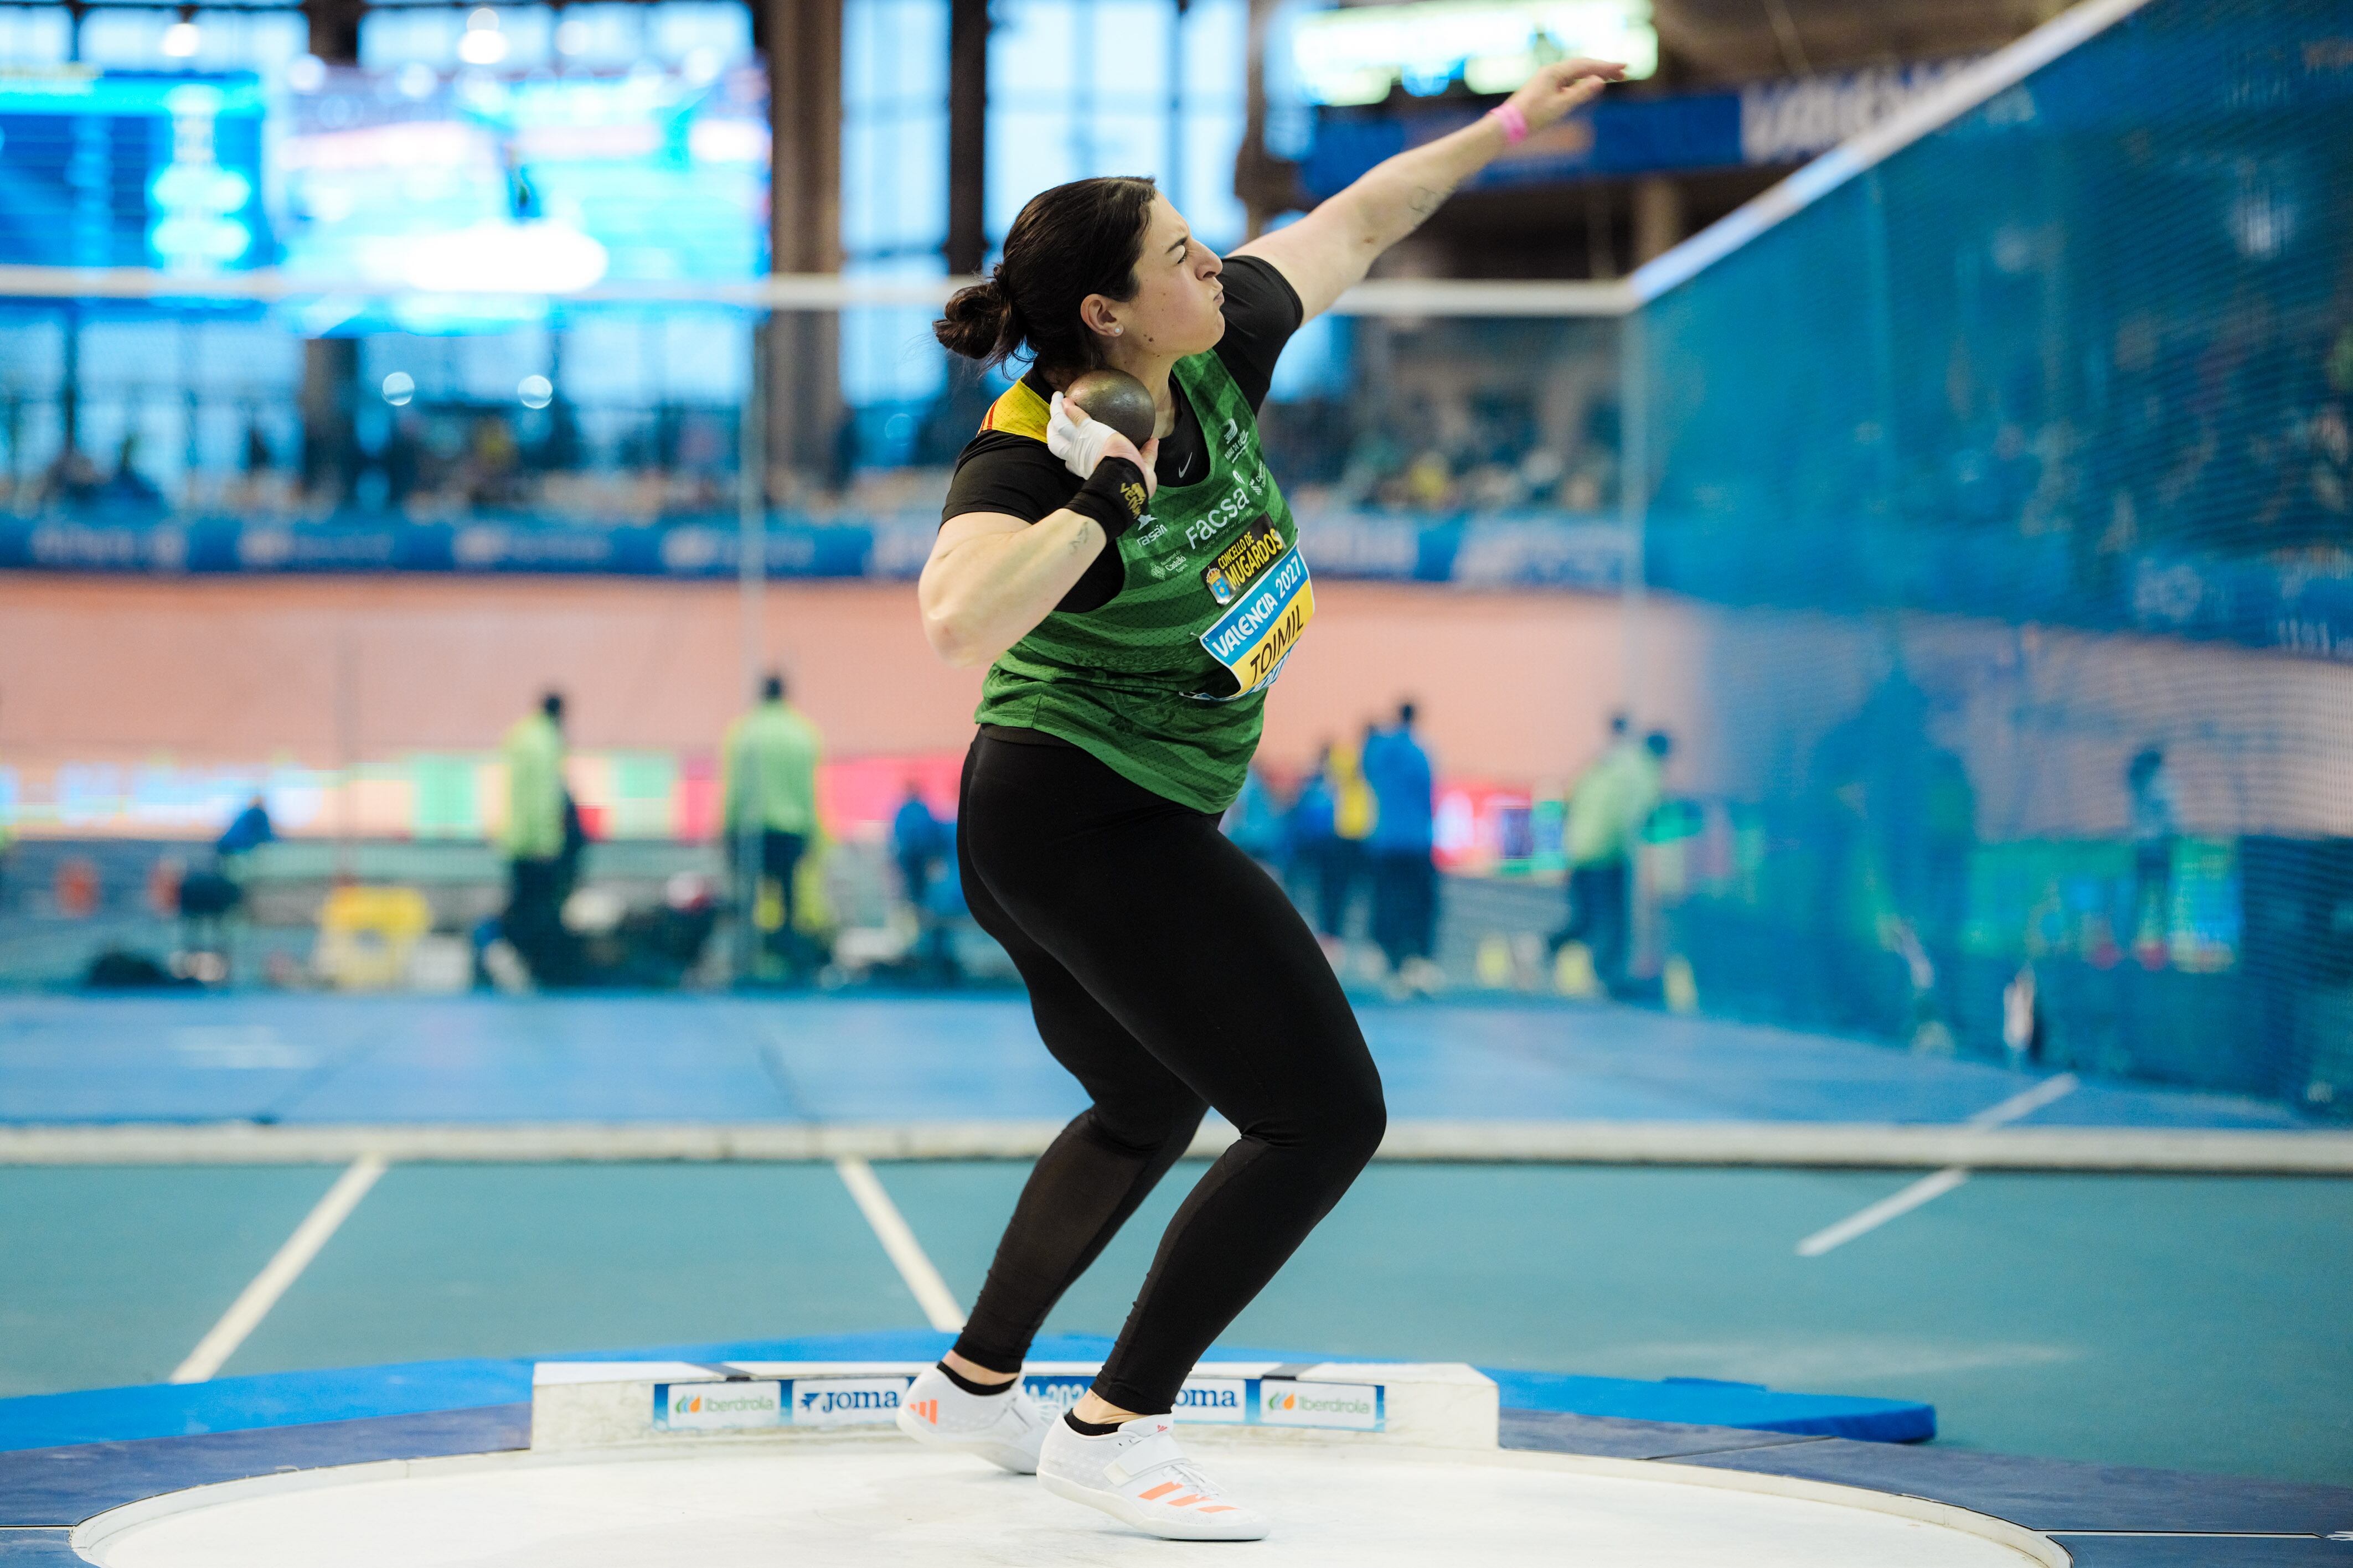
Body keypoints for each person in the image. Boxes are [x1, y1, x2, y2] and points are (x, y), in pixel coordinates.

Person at [895, 52, 1626, 1543]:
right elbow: (957, 620)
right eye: (1179, 254)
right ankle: (1115, 1427)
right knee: (1323, 1116)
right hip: (1081, 817)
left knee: (1147, 1098)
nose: (1212, 263)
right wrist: (1101, 500)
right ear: (1106, 313)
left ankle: (974, 1384)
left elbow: (1358, 220)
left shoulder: (1220, 350)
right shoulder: (1032, 445)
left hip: (1075, 816)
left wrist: (1503, 125)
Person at [721, 672, 824, 967]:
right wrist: (812, 832)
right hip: (792, 830)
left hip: (751, 829)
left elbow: (736, 788)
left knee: (747, 901)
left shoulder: (745, 733)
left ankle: (746, 963)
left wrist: (727, 829)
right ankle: (792, 965)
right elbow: (809, 791)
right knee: (789, 901)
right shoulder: (802, 733)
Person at [1549, 713, 1648, 996]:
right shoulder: (1637, 768)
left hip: (1582, 853)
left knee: (1587, 920)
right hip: (1608, 854)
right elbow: (1640, 813)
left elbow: (1569, 804)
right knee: (1611, 920)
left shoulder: (1595, 767)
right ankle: (1606, 975)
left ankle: (1543, 950)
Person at [1364, 701, 1440, 996]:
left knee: (1388, 904)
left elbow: (1367, 773)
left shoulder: (1379, 751)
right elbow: (1428, 796)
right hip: (1416, 843)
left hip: (1385, 841)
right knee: (1420, 906)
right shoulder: (1420, 753)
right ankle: (1417, 964)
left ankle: (1393, 968)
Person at [499, 691, 570, 984]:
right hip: (537, 845)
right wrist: (544, 843)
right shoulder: (546, 742)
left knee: (520, 907)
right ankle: (534, 971)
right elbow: (543, 797)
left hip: (516, 840)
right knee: (539, 913)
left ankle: (511, 961)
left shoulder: (522, 736)